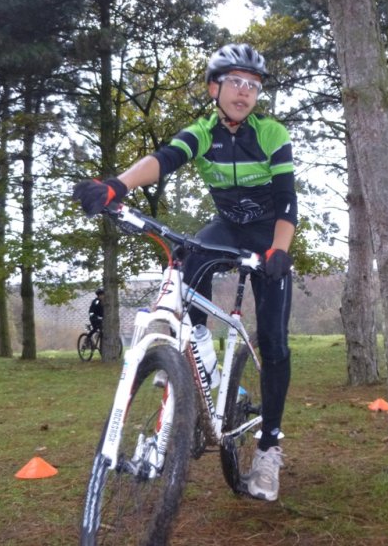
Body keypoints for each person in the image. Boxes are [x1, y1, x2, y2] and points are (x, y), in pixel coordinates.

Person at [72, 43, 296, 502]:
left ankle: (270, 447)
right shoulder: (203, 131)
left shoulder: (271, 133)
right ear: (215, 88)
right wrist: (117, 186)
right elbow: (164, 158)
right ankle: (193, 356)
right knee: (188, 257)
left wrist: (279, 250)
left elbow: (288, 201)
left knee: (273, 341)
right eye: (235, 81)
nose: (244, 92)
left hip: (268, 235)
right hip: (228, 228)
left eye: (253, 86)